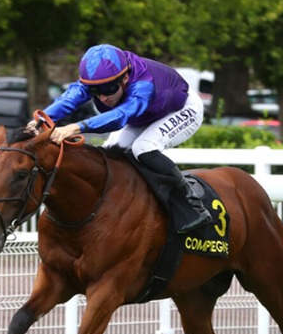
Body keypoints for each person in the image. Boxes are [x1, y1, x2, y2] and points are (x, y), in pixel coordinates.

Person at [30, 44, 212, 233]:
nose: (102, 98)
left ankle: (191, 206)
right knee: (110, 151)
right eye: (95, 92)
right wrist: (40, 119)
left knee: (143, 147)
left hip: (181, 107)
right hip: (147, 112)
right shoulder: (102, 80)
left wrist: (76, 127)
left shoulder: (143, 84)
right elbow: (68, 99)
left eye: (109, 90)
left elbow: (122, 115)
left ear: (125, 78)